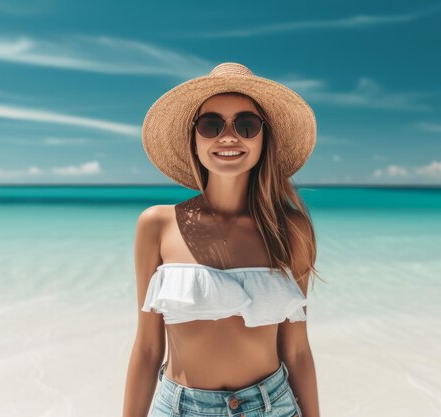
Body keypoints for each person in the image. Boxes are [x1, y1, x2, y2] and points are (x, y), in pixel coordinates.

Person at [123, 62, 322, 417]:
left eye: (246, 125)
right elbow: (148, 348)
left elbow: (296, 351)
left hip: (273, 406)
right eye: (211, 125)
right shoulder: (157, 224)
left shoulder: (290, 229)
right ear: (194, 140)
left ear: (264, 139)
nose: (228, 137)